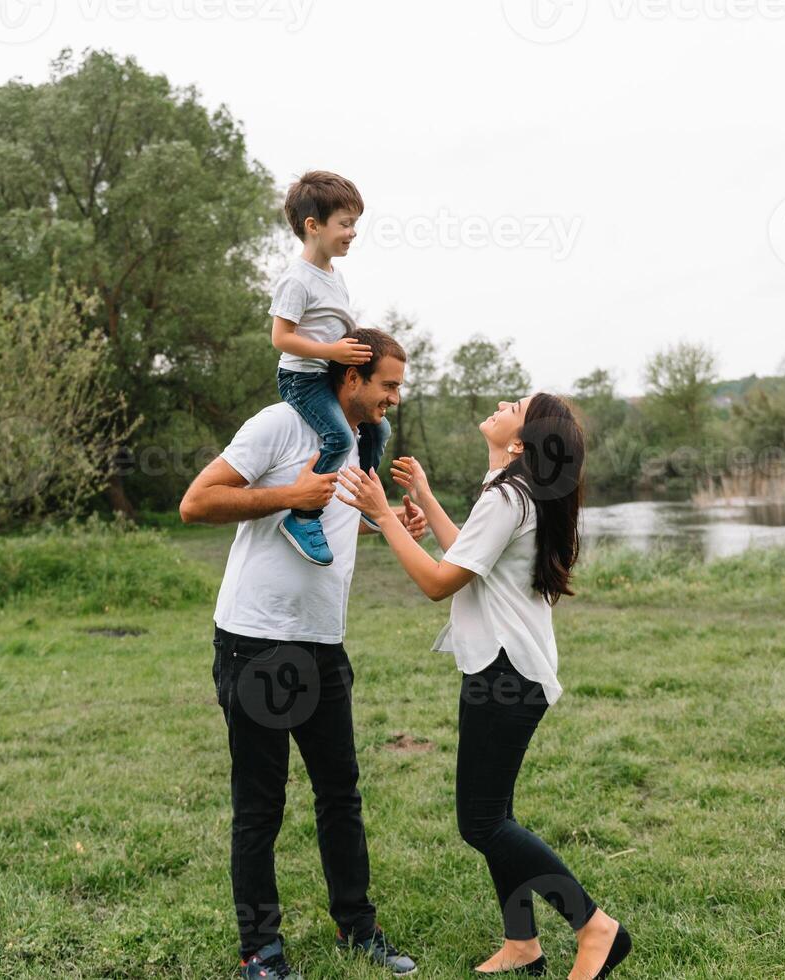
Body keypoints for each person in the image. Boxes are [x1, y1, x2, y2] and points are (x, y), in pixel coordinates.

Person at [334, 394, 633, 980]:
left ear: (521, 442)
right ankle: (522, 943)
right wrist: (422, 499)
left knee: (483, 823)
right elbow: (469, 555)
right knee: (498, 815)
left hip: (506, 674)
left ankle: (595, 927)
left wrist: (388, 515)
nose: (502, 402)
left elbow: (440, 583)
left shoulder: (508, 496)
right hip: (509, 670)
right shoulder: (513, 491)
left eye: (515, 405)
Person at [179, 328, 426, 980]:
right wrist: (288, 495)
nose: (395, 399)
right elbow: (195, 502)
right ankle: (260, 952)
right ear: (351, 377)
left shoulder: (359, 445)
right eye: (388, 386)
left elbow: (343, 516)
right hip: (256, 642)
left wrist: (392, 523)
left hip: (323, 644)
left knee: (340, 793)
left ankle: (357, 928)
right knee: (261, 806)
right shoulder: (280, 426)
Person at [269, 170, 391, 567]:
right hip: (302, 379)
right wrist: (332, 352)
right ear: (313, 226)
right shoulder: (296, 279)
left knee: (380, 428)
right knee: (339, 438)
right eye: (346, 223)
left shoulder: (335, 277)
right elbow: (282, 338)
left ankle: (364, 496)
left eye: (355, 223)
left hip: (328, 374)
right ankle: (303, 516)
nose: (353, 232)